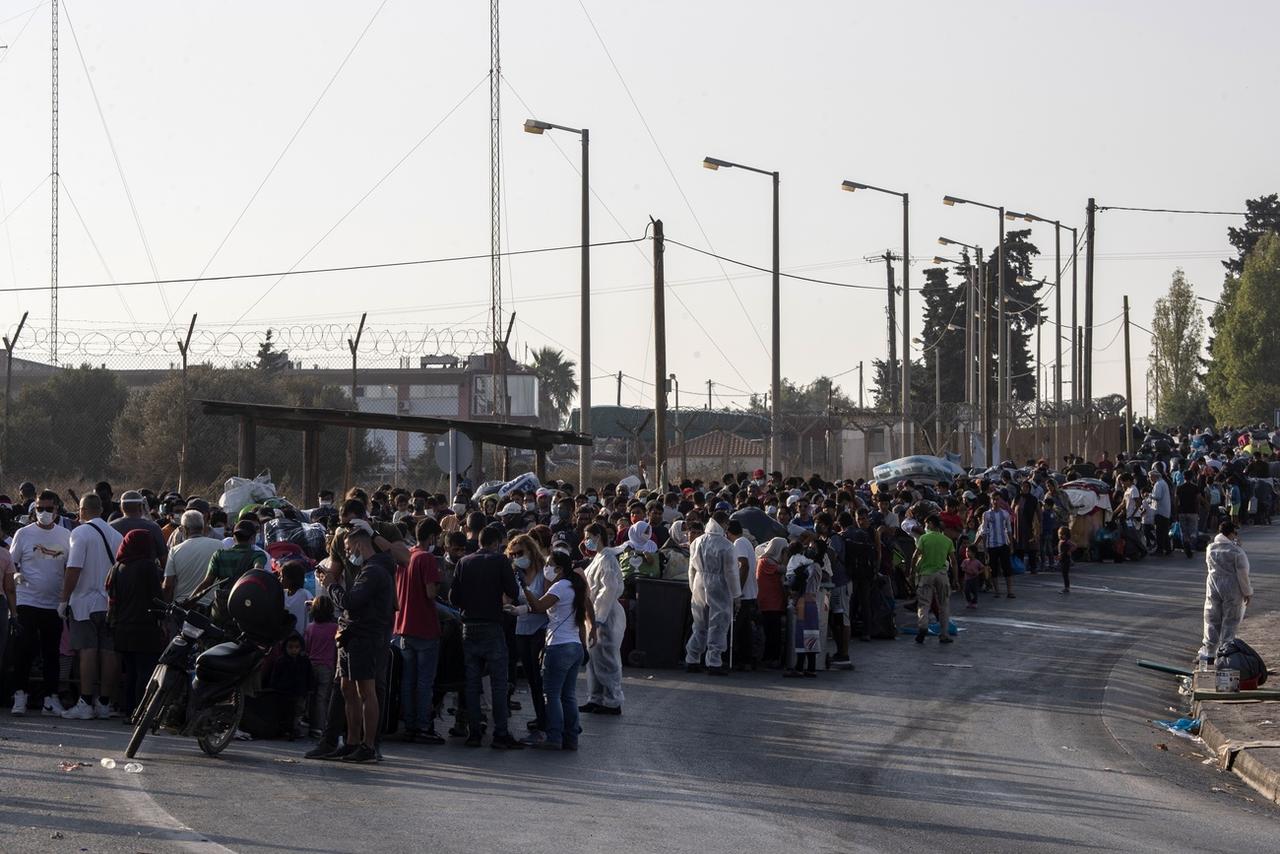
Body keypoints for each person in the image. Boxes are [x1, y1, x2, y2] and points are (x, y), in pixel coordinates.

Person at [449, 524, 524, 749]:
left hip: (469, 627)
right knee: (498, 683)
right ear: (495, 543)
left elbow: (454, 598)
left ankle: (474, 733)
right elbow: (513, 592)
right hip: (492, 626)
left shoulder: (463, 562)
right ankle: (500, 733)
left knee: (472, 684)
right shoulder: (500, 561)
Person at [511, 550, 588, 750]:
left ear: (560, 569)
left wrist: (524, 587)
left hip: (558, 646)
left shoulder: (560, 586)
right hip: (574, 646)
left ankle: (554, 736)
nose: (546, 568)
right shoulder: (573, 586)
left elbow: (537, 606)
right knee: (568, 695)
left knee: (551, 694)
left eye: (550, 565)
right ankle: (571, 738)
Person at [332, 522, 396, 762]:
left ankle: (368, 745)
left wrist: (331, 586)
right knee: (347, 688)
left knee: (366, 691)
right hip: (351, 635)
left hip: (366, 636)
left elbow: (352, 600)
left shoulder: (374, 571)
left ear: (360, 545)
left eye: (349, 549)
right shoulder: (369, 569)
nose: (347, 554)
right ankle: (351, 741)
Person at [60, 493, 126, 720]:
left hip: (83, 603)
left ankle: (86, 701)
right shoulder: (117, 535)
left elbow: (74, 568)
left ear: (83, 510)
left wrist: (63, 599)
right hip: (110, 603)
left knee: (87, 651)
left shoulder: (80, 533)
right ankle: (105, 703)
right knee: (109, 652)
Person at [9, 490, 72, 717]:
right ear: (34, 509)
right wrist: (16, 576)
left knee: (51, 652)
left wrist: (66, 599)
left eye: (48, 509)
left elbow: (70, 568)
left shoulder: (66, 535)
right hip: (27, 600)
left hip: (54, 603)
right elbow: (12, 562)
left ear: (57, 510)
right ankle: (20, 695)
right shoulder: (23, 534)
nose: (43, 513)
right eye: (39, 509)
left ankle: (50, 698)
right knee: (23, 649)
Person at [395, 518, 445, 744]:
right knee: (425, 681)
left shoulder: (406, 557)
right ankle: (424, 726)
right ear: (432, 537)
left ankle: (411, 724)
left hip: (404, 627)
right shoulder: (426, 559)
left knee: (408, 680)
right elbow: (430, 593)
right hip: (425, 627)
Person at [683, 517, 739, 676]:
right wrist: (736, 595)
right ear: (724, 524)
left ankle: (692, 658)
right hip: (719, 584)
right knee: (718, 622)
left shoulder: (697, 541)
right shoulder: (727, 545)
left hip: (699, 582)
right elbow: (731, 573)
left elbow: (691, 569)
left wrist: (692, 587)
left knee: (699, 624)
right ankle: (714, 661)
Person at [185, 520, 267, 626]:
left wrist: (189, 602)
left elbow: (207, 583)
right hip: (245, 610)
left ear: (234, 537)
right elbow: (258, 572)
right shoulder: (258, 555)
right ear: (253, 538)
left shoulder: (219, 555)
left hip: (222, 610)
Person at [581, 522, 627, 711]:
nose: (586, 542)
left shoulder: (607, 558)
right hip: (594, 614)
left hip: (605, 616)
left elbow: (609, 589)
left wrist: (598, 617)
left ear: (598, 536)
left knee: (607, 657)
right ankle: (596, 697)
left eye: (588, 537)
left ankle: (612, 700)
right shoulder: (599, 557)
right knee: (594, 659)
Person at [507, 532, 548, 740]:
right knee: (531, 678)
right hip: (521, 629)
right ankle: (540, 716)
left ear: (531, 550)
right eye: (513, 555)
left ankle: (546, 718)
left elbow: (547, 604)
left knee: (541, 679)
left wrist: (527, 609)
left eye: (520, 553)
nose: (516, 558)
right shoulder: (516, 574)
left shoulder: (544, 573)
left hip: (540, 629)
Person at [1199, 521, 1253, 661]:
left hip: (1213, 585)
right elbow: (1243, 573)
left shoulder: (1210, 548)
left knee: (1212, 617)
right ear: (1231, 533)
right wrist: (1247, 592)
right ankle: (1226, 652)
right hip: (1232, 587)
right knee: (1231, 619)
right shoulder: (1236, 551)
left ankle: (1209, 651)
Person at [911, 515, 956, 645]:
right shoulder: (947, 540)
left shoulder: (924, 538)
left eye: (926, 524)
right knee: (944, 605)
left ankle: (923, 626)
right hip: (942, 574)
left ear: (930, 524)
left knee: (924, 604)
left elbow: (915, 556)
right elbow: (953, 561)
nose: (925, 526)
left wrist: (912, 571)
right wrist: (956, 578)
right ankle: (944, 634)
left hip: (926, 575)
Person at [163, 510, 221, 607]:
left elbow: (168, 585)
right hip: (212, 607)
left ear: (185, 529)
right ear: (202, 528)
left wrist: (166, 609)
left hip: (182, 608)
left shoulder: (175, 551)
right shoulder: (219, 545)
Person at [726, 519, 761, 670]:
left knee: (735, 629)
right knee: (745, 630)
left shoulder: (738, 543)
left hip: (744, 595)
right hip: (750, 593)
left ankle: (732, 659)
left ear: (728, 532)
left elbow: (743, 565)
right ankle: (747, 659)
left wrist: (737, 591)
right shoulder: (745, 541)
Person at [784, 537, 820, 677]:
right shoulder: (816, 567)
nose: (809, 550)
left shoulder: (806, 568)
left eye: (812, 548)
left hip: (803, 602)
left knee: (801, 635)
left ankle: (799, 667)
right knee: (811, 635)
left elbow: (795, 583)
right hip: (813, 603)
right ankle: (811, 667)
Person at [305, 595, 338, 739]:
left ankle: (311, 724)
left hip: (311, 665)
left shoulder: (310, 628)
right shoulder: (334, 628)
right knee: (323, 697)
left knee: (311, 696)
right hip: (327, 666)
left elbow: (306, 648)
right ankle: (321, 726)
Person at [269, 633, 313, 740]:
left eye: (297, 647)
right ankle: (285, 730)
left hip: (299, 691)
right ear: (285, 647)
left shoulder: (304, 661)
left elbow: (309, 675)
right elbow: (275, 676)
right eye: (290, 647)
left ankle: (294, 729)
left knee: (298, 712)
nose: (294, 650)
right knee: (285, 712)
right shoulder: (281, 661)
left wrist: (310, 688)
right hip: (284, 692)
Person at [109, 491, 169, 568]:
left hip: (119, 575)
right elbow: (164, 558)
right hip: (147, 575)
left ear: (121, 507)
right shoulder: (153, 527)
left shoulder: (111, 527)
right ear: (141, 506)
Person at [755, 536, 788, 667]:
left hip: (774, 602)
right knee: (772, 633)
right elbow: (784, 569)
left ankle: (772, 657)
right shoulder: (765, 561)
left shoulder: (769, 561)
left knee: (774, 632)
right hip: (770, 603)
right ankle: (770, 658)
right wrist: (786, 556)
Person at [979, 495, 1015, 598]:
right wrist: (985, 548)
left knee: (1007, 568)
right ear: (991, 501)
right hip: (992, 545)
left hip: (1003, 544)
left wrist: (1011, 545)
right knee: (993, 569)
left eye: (997, 499)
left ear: (1000, 501)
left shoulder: (1005, 514)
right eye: (993, 499)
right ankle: (997, 591)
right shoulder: (986, 514)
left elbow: (1009, 530)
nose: (995, 501)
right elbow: (984, 531)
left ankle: (1010, 591)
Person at [1175, 474, 1202, 559]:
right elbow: (1198, 500)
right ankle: (1190, 543)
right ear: (1192, 477)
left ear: (1184, 477)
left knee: (1184, 530)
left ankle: (1186, 542)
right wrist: (1198, 511)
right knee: (1193, 530)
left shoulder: (1179, 488)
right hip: (1192, 511)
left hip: (1182, 511)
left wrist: (1176, 512)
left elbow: (1176, 501)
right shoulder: (1195, 487)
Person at [281, 561, 309, 635]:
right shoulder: (282, 594)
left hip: (301, 636)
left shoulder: (304, 594)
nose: (281, 579)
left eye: (283, 577)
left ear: (292, 579)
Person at [960, 545, 984, 609]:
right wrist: (968, 571)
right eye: (966, 551)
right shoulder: (965, 561)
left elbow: (982, 568)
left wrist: (978, 573)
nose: (967, 553)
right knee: (966, 590)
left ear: (974, 553)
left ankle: (974, 602)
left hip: (975, 578)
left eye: (968, 551)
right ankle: (969, 601)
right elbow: (962, 568)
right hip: (967, 579)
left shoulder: (977, 562)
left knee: (975, 591)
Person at [1057, 526, 1074, 594]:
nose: (1059, 535)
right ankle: (1066, 587)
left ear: (1065, 535)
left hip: (1066, 560)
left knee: (1065, 574)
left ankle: (1066, 588)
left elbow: (1075, 545)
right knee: (1064, 574)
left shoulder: (1067, 541)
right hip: (1062, 559)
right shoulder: (1061, 541)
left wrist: (1070, 551)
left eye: (1060, 534)